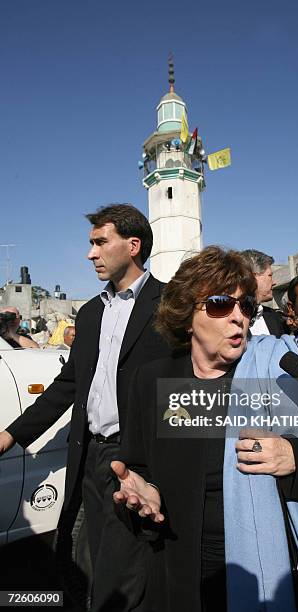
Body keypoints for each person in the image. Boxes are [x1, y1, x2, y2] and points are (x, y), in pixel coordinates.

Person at [111, 246, 298, 612]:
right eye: (222, 304)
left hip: (273, 569)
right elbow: (136, 472)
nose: (239, 318)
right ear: (187, 315)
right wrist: (143, 498)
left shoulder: (278, 369)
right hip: (183, 572)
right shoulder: (154, 380)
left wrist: (294, 456)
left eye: (246, 307)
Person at [0, 204, 169, 611]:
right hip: (89, 455)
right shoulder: (92, 312)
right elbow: (68, 385)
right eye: (90, 244)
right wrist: (10, 434)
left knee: (122, 571)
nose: (90, 254)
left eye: (99, 242)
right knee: (82, 560)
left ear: (133, 245)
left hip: (135, 460)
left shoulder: (169, 305)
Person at [240, 248, 284, 336]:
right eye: (270, 275)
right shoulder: (232, 318)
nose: (274, 282)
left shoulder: (273, 317)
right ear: (253, 277)